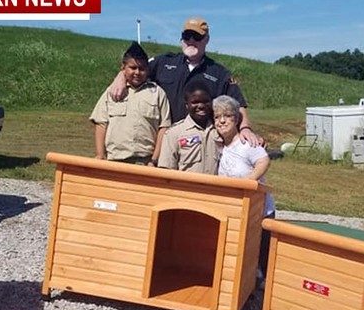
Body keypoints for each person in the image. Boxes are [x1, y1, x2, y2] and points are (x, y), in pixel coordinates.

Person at [108, 17, 263, 146]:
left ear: (206, 40)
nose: (191, 41)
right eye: (187, 36)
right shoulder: (163, 62)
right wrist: (121, 76)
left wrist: (245, 129)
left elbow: (238, 104)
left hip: (198, 143)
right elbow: (136, 69)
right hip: (163, 139)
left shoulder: (219, 73)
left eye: (197, 37)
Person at [211, 95, 275, 286]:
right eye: (217, 117)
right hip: (238, 208)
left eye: (227, 116)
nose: (221, 121)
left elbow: (264, 161)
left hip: (259, 209)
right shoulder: (222, 146)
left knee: (261, 248)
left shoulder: (247, 143)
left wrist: (248, 182)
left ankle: (263, 279)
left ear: (236, 120)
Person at [90, 41, 171, 166]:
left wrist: (154, 160)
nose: (137, 72)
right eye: (133, 68)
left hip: (145, 163)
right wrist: (100, 155)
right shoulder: (112, 91)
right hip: (114, 161)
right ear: (123, 68)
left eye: (142, 68)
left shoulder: (157, 93)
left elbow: (164, 128)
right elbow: (101, 123)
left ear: (148, 70)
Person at [157, 81, 219, 174]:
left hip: (215, 187)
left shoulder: (220, 130)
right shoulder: (174, 133)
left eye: (205, 101)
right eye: (195, 102)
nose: (201, 106)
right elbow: (166, 171)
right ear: (187, 105)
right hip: (185, 188)